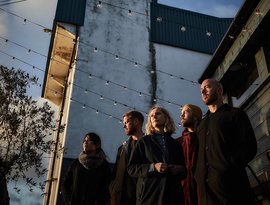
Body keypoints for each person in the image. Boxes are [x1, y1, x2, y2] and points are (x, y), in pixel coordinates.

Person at [195, 78, 257, 205]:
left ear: (218, 90)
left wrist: (227, 167)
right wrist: (198, 174)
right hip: (206, 193)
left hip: (232, 190)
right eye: (201, 90)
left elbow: (249, 146)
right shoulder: (201, 125)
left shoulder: (235, 114)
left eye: (207, 87)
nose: (203, 92)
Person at [127, 105, 186, 205]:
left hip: (172, 196)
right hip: (150, 196)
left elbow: (184, 170)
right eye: (151, 116)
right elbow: (131, 168)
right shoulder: (144, 142)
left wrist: (179, 169)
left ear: (166, 117)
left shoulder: (175, 143)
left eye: (158, 113)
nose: (154, 116)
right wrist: (153, 167)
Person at [61, 132, 111, 205]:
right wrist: (69, 200)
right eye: (84, 140)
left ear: (97, 145)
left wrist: (98, 202)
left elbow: (108, 187)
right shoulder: (76, 163)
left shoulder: (104, 165)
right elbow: (65, 184)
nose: (85, 142)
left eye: (89, 140)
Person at [110, 110, 144, 205]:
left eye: (126, 122)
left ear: (136, 122)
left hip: (139, 198)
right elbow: (115, 173)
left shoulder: (148, 145)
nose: (124, 126)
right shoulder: (122, 148)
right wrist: (113, 189)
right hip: (119, 198)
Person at [177, 104, 202, 205]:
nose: (181, 116)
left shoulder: (205, 138)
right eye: (181, 113)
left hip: (203, 192)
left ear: (196, 116)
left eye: (186, 112)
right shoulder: (178, 143)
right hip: (184, 194)